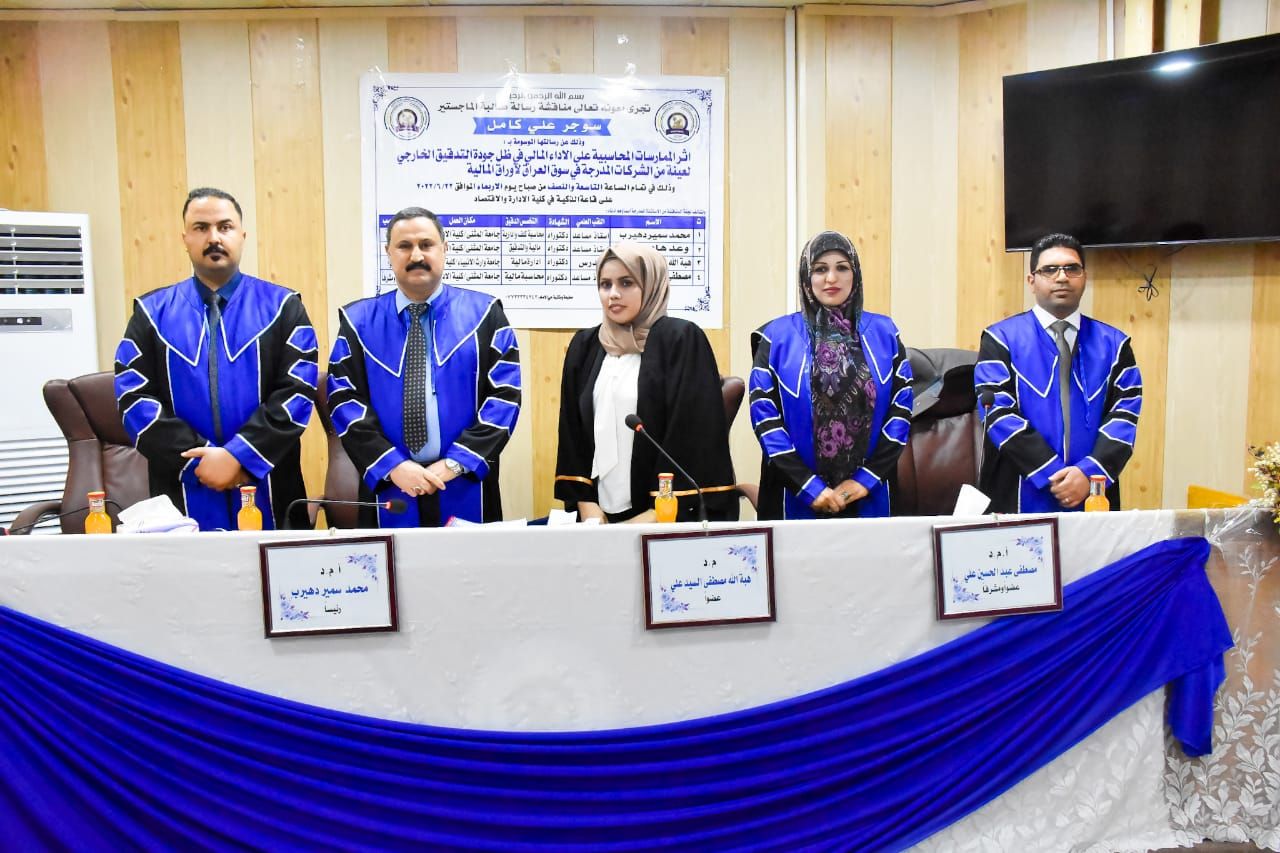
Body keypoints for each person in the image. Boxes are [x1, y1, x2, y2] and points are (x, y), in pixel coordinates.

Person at [114, 188, 317, 531]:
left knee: (271, 565)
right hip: (181, 488)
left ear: (242, 236)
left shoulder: (284, 308)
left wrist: (240, 456)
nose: (214, 238)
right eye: (201, 228)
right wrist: (199, 461)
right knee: (188, 566)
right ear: (185, 239)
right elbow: (133, 397)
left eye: (225, 227)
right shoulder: (151, 314)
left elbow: (297, 392)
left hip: (269, 483)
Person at [325, 207, 520, 528]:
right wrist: (393, 466)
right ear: (389, 253)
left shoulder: (485, 316)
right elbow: (344, 400)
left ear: (444, 249)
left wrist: (456, 463)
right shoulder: (358, 323)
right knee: (391, 560)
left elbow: (504, 398)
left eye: (426, 245)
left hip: (464, 480)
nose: (416, 255)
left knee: (470, 561)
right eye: (404, 246)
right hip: (390, 483)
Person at [554, 242, 738, 523]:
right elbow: (572, 433)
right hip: (597, 516)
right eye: (605, 284)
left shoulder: (681, 339)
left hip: (665, 515)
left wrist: (656, 514)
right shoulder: (585, 346)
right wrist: (587, 505)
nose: (613, 294)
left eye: (626, 283)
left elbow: (691, 436)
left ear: (652, 284)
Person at [749, 231, 912, 520]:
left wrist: (864, 482)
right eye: (820, 269)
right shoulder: (777, 337)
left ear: (855, 275)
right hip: (794, 495)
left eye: (842, 268)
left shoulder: (885, 333)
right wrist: (809, 487)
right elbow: (765, 417)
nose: (831, 278)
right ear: (806, 277)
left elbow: (901, 410)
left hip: (871, 495)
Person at [975, 233, 1141, 513]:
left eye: (1072, 268)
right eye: (1050, 269)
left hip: (1093, 493)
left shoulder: (1115, 345)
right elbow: (997, 414)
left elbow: (1124, 416)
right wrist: (1053, 475)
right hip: (1018, 490)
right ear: (1031, 281)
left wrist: (1087, 475)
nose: (1062, 277)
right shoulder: (1000, 339)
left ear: (1084, 277)